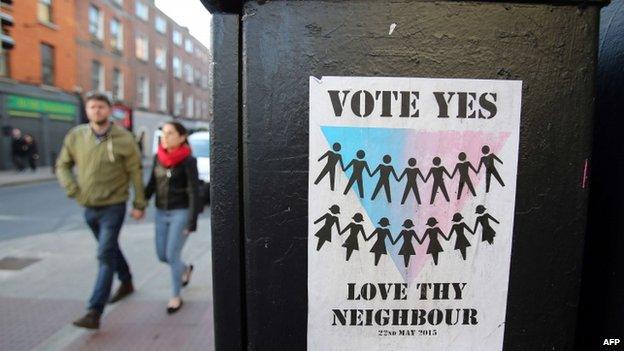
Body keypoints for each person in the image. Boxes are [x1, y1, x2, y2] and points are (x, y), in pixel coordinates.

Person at [56, 92, 146, 330]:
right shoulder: (76, 136)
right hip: (88, 206)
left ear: (109, 110)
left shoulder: (124, 138)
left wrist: (139, 204)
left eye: (101, 107)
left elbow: (136, 172)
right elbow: (62, 165)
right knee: (110, 248)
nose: (97, 111)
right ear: (87, 111)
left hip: (114, 206)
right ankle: (126, 280)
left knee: (104, 254)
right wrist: (73, 190)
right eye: (92, 107)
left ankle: (94, 310)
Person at [145, 121, 200, 314]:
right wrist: (140, 203)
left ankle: (175, 296)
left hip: (181, 212)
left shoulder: (188, 161)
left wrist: (192, 221)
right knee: (162, 255)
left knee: (172, 255)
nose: (165, 137)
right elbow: (152, 184)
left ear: (182, 137)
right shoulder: (157, 158)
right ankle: (184, 270)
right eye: (163, 133)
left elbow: (194, 191)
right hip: (161, 212)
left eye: (170, 133)